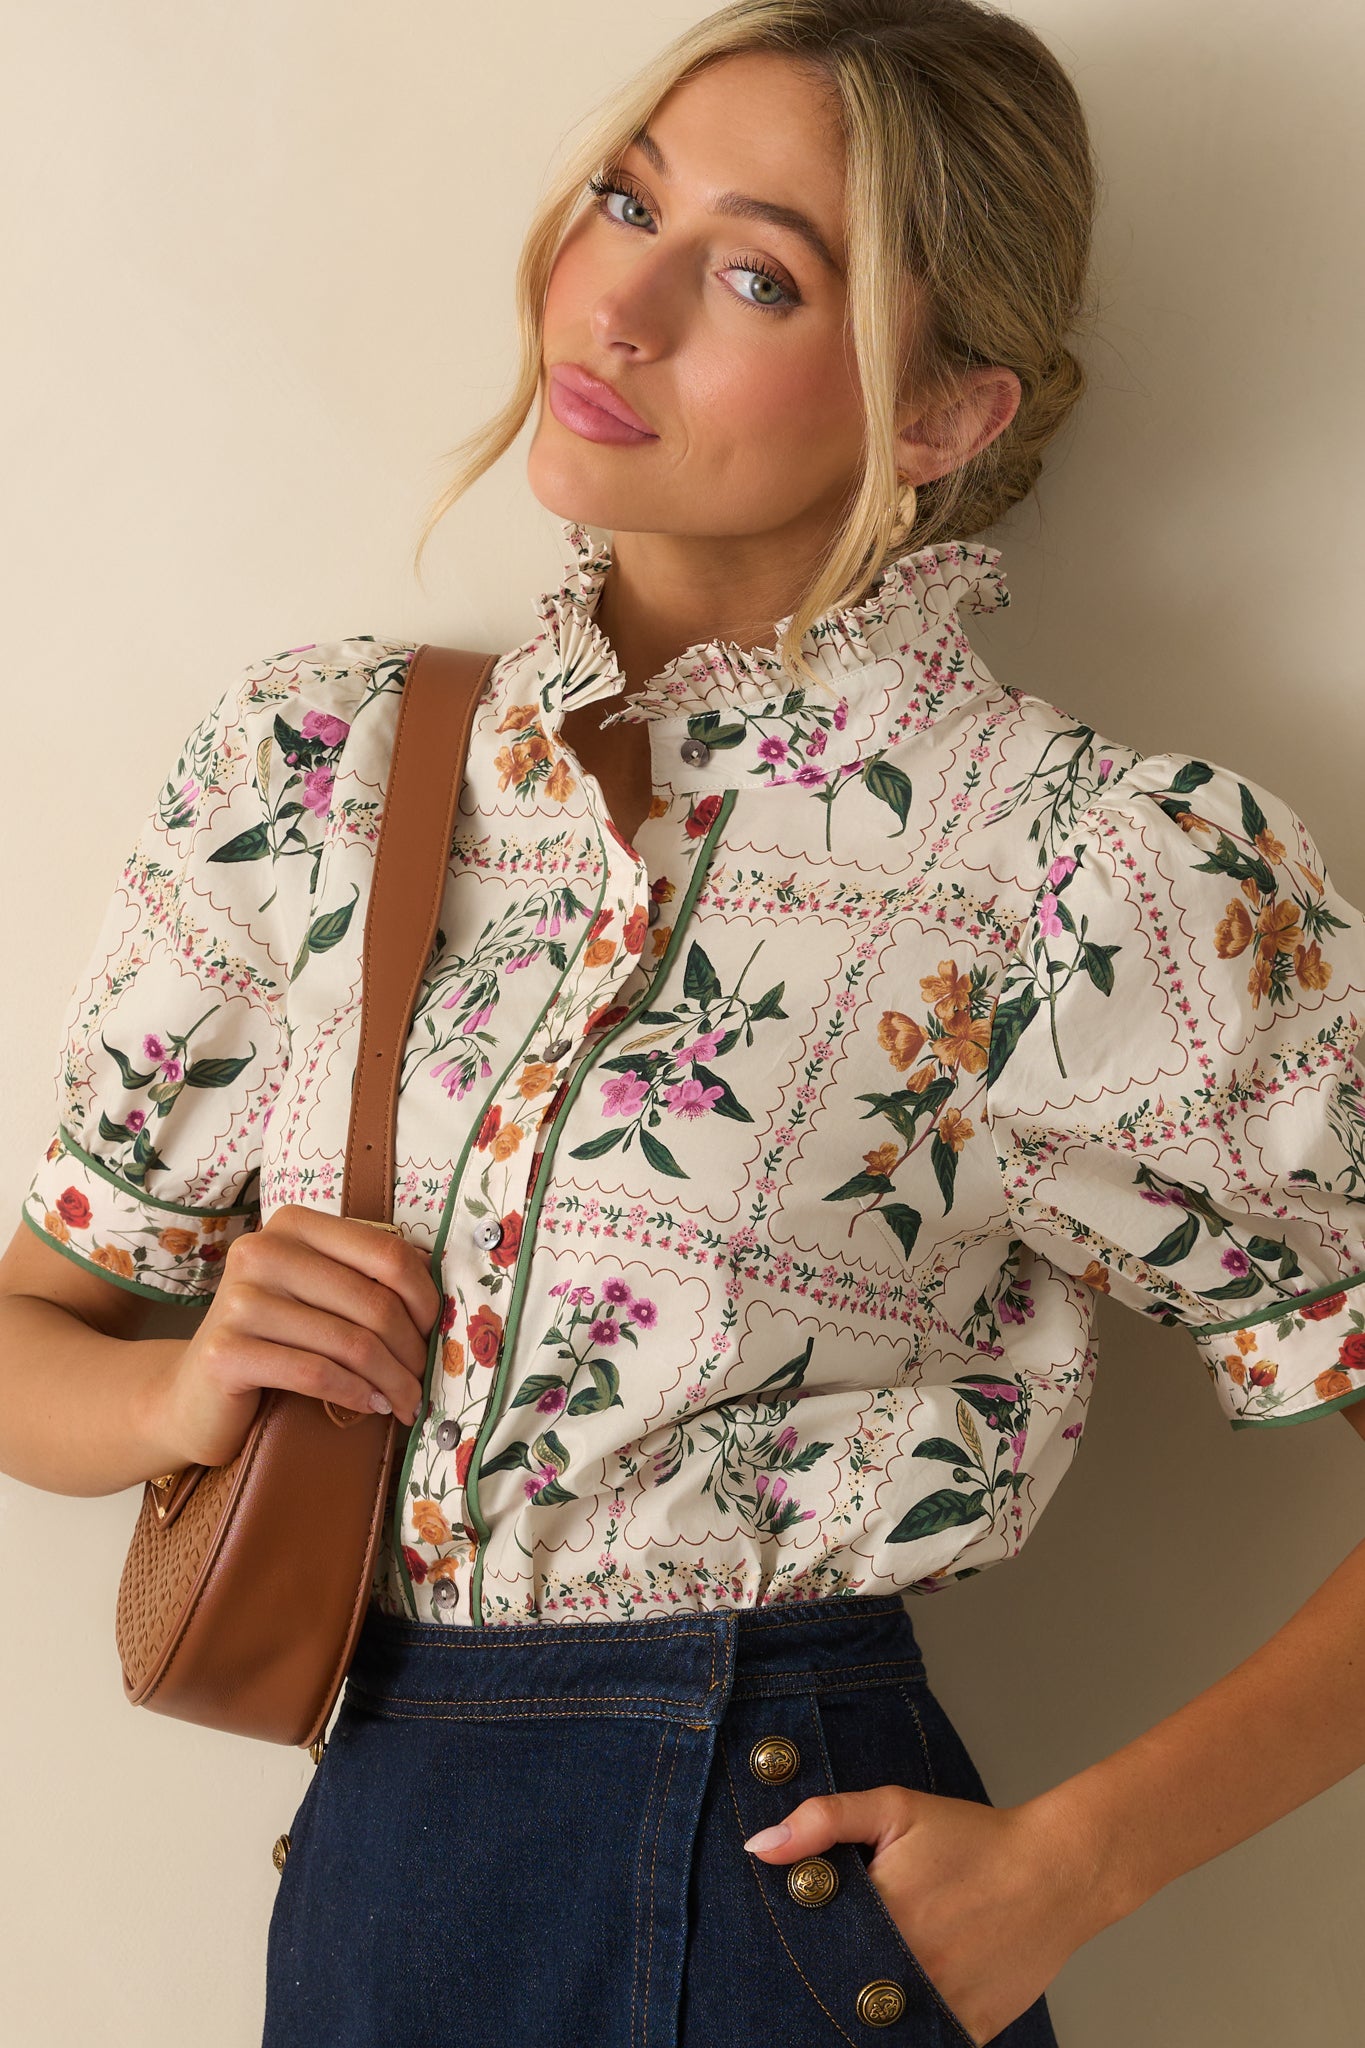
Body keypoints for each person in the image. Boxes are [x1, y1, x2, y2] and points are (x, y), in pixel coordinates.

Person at [3, 2, 1364, 2043]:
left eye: (752, 272)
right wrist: (176, 1407)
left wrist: (1070, 1869)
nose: (613, 302)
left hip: (774, 1890)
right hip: (378, 1863)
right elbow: (34, 1332)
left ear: (941, 415)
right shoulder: (331, 766)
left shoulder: (1080, 871)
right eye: (623, 200)